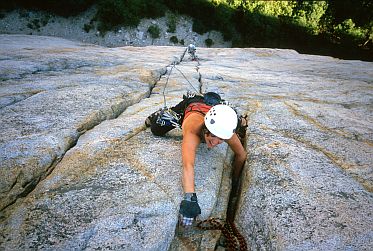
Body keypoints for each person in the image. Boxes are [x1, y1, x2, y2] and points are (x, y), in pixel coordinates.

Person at [145, 92, 247, 226]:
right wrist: (190, 198)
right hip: (191, 105)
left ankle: (229, 110)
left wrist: (235, 179)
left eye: (221, 139)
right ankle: (163, 113)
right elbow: (188, 165)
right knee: (156, 128)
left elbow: (242, 155)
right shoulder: (192, 131)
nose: (216, 142)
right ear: (206, 128)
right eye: (214, 136)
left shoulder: (224, 128)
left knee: (240, 123)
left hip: (214, 108)